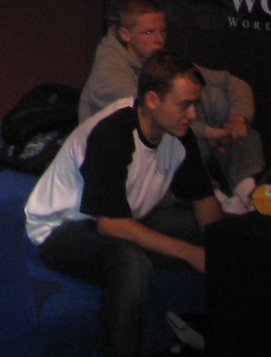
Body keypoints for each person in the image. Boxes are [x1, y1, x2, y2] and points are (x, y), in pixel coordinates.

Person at [27, 51, 224, 357]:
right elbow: (111, 225)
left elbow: (204, 201)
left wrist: (223, 251)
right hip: (63, 228)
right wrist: (190, 253)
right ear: (153, 100)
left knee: (215, 234)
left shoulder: (177, 133)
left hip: (127, 217)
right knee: (132, 263)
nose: (193, 114)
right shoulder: (112, 132)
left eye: (195, 104)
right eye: (185, 104)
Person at [79, 0, 264, 191]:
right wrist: (209, 132)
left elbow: (233, 83)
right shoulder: (110, 70)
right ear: (125, 34)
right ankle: (206, 193)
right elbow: (149, 113)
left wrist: (237, 119)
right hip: (116, 162)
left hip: (155, 149)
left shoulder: (157, 61)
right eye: (148, 32)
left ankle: (245, 188)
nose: (159, 40)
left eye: (162, 30)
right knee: (178, 120)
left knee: (214, 97)